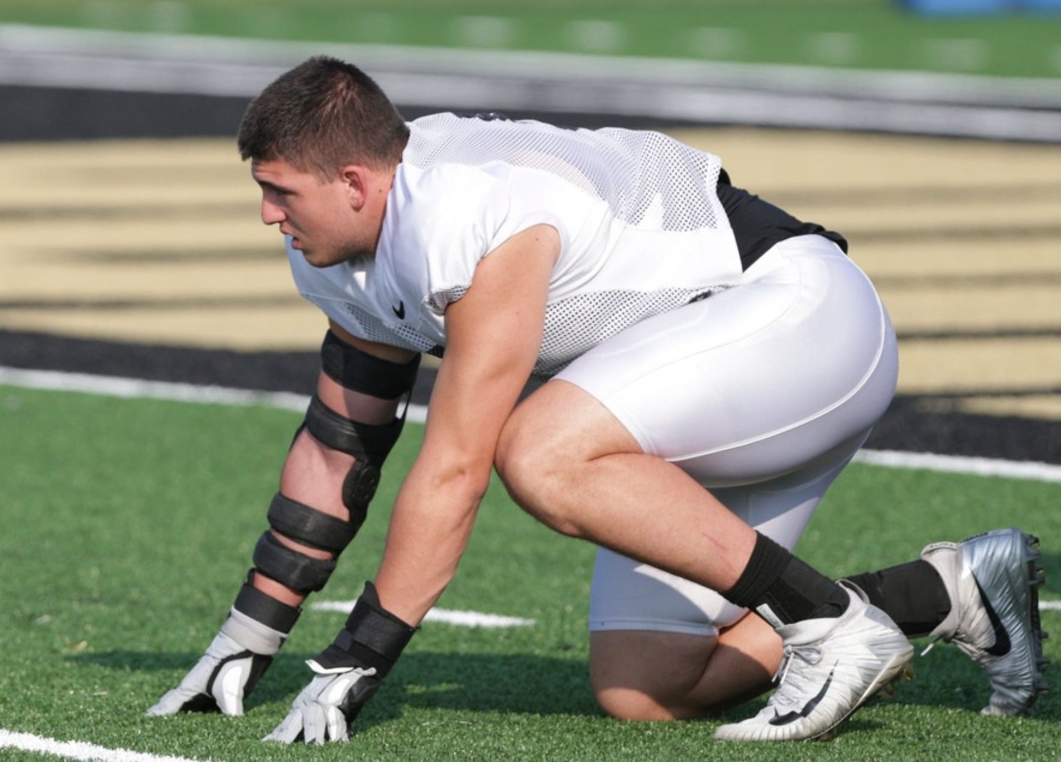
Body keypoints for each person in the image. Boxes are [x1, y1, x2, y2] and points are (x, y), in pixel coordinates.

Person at [146, 56, 1048, 743]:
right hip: (695, 390)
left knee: (537, 451)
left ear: (353, 183)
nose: (267, 215)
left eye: (279, 190)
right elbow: (343, 443)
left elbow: (456, 467)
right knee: (646, 687)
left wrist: (362, 653)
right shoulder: (346, 250)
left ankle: (829, 623)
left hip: (798, 321)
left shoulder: (466, 210)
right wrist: (252, 626)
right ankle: (949, 590)